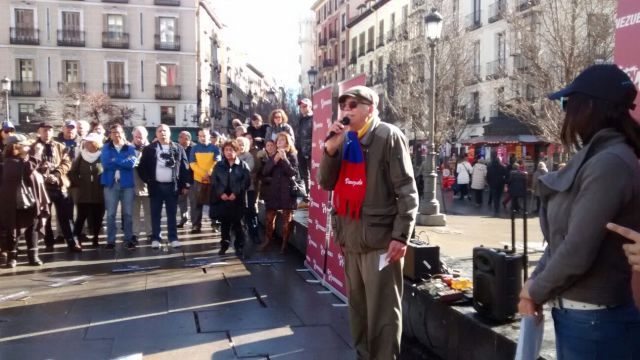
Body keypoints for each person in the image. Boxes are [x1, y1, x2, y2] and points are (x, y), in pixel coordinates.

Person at [518, 64, 640, 359]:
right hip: (582, 319)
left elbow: (577, 249)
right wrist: (535, 283)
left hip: (595, 324)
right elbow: (561, 240)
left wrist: (534, 290)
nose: (564, 112)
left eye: (566, 103)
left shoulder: (610, 163)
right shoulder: (598, 158)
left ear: (588, 107)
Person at [317, 85, 418, 359]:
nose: (346, 110)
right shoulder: (344, 139)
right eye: (343, 106)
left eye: (353, 105)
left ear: (370, 109)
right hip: (351, 238)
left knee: (383, 314)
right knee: (358, 311)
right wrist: (330, 150)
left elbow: (407, 190)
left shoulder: (388, 136)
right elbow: (325, 182)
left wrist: (401, 236)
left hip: (380, 241)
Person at [138, 125, 190, 249]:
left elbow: (185, 167)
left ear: (170, 133)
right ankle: (156, 237)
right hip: (156, 186)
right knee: (155, 213)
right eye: (160, 131)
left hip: (173, 186)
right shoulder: (149, 149)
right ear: (156, 134)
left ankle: (173, 238)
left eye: (165, 131)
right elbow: (141, 167)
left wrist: (185, 184)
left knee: (172, 213)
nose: (162, 133)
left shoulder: (178, 148)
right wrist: (148, 180)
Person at [1, 134, 49, 267]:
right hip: (12, 202)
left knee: (32, 227)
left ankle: (33, 256)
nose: (28, 147)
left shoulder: (27, 160)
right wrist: (37, 153)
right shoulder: (8, 162)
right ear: (16, 147)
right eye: (25, 145)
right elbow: (27, 168)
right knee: (13, 229)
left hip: (30, 199)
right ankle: (12, 257)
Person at [32, 121, 80, 252]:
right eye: (44, 130)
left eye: (49, 130)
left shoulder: (60, 146)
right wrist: (42, 172)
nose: (47, 133)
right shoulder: (33, 147)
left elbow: (66, 162)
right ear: (39, 132)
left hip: (59, 185)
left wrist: (56, 174)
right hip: (41, 187)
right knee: (44, 216)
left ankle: (72, 242)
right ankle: (48, 242)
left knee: (66, 216)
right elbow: (29, 165)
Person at [209, 140, 250, 256]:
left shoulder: (242, 165)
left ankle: (239, 246)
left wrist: (235, 193)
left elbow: (246, 181)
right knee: (225, 224)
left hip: (237, 200)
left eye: (231, 150)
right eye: (226, 150)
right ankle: (224, 245)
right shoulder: (219, 165)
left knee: (238, 225)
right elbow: (214, 181)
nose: (228, 152)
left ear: (236, 151)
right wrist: (221, 193)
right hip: (223, 199)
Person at [260, 132, 299, 254]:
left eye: (282, 140)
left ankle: (284, 244)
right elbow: (265, 172)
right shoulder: (273, 156)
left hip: (287, 192)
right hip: (274, 192)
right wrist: (274, 161)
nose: (279, 142)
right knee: (269, 218)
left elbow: (293, 173)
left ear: (287, 143)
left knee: (287, 220)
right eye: (278, 140)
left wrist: (285, 159)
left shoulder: (292, 156)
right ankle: (268, 240)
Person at [100, 124, 137, 250]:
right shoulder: (106, 147)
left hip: (127, 184)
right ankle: (111, 241)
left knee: (128, 214)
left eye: (119, 132)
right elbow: (105, 164)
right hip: (111, 184)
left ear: (123, 133)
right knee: (110, 214)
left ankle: (128, 239)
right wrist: (122, 161)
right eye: (114, 132)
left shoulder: (130, 148)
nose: (116, 134)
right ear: (110, 134)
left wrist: (115, 160)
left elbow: (132, 163)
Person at [68, 133, 104, 247]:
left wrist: (102, 182)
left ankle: (96, 238)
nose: (87, 144)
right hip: (84, 193)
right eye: (86, 142)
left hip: (99, 192)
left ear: (96, 144)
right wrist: (79, 183)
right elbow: (73, 172)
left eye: (90, 142)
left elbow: (107, 171)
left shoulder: (102, 156)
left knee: (97, 217)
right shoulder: (81, 155)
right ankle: (75, 240)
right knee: (81, 217)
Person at [189, 128, 220, 234]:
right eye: (200, 136)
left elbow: (216, 162)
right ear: (198, 137)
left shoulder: (215, 148)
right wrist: (204, 174)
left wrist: (209, 173)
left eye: (205, 135)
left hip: (212, 180)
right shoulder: (194, 148)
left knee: (214, 203)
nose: (203, 138)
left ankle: (215, 224)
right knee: (197, 204)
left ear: (209, 136)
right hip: (198, 180)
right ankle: (196, 225)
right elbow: (192, 164)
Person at [236, 136, 259, 244]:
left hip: (248, 189)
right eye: (238, 144)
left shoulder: (248, 156)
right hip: (235, 189)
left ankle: (254, 234)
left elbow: (248, 169)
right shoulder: (233, 155)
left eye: (242, 144)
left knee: (250, 211)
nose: (240, 146)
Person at [131, 126, 152, 243]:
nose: (139, 139)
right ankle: (135, 234)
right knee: (135, 213)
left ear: (146, 137)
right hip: (133, 185)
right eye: (136, 137)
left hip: (148, 185)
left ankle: (150, 233)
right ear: (133, 136)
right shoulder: (128, 149)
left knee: (149, 212)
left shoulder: (151, 148)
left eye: (141, 137)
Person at [295, 98, 313, 208]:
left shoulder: (315, 118)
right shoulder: (301, 119)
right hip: (300, 150)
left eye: (304, 106)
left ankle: (314, 195)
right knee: (304, 174)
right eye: (301, 106)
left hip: (311, 151)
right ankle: (307, 195)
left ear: (310, 106)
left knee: (313, 173)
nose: (302, 108)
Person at [177, 131, 194, 228]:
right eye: (179, 137)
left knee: (193, 201)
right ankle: (184, 218)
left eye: (181, 137)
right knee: (182, 201)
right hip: (181, 180)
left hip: (192, 179)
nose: (179, 139)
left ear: (187, 139)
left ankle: (194, 221)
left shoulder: (194, 149)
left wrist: (188, 183)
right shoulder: (177, 148)